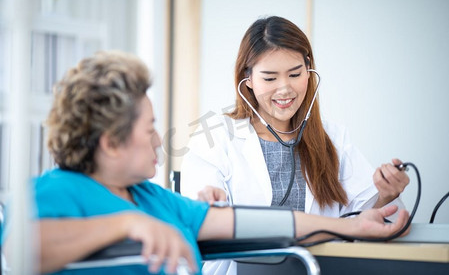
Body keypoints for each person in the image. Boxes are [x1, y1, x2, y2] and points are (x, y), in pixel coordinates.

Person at [34, 50, 409, 275]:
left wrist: (355, 225)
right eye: (149, 128)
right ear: (111, 143)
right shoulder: (59, 189)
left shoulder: (153, 199)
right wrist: (125, 224)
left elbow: (265, 223)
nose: (160, 140)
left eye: (295, 74)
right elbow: (22, 251)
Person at [180, 16, 410, 274]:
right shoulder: (216, 138)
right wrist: (211, 204)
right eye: (269, 78)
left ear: (309, 71)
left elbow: (361, 221)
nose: (284, 89)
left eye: (295, 74)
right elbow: (203, 224)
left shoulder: (333, 137)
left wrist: (385, 194)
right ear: (248, 79)